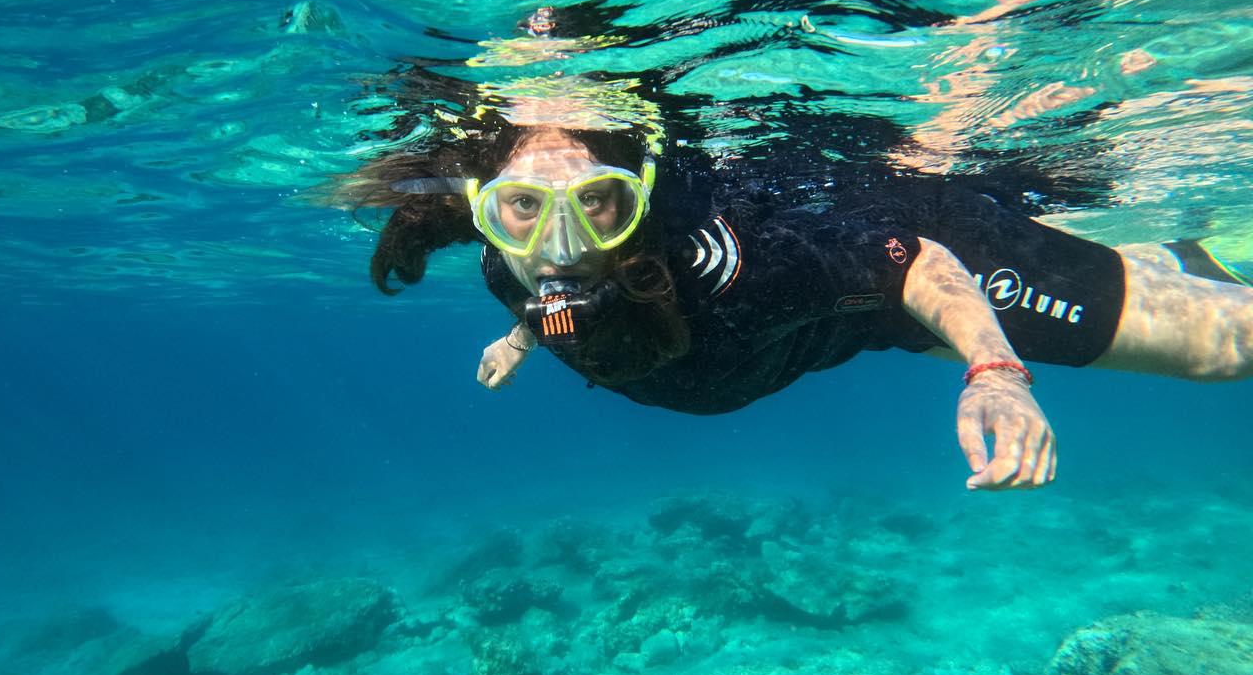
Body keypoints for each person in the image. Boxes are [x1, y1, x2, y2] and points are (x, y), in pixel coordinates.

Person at [340, 122, 1253, 490]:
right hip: (869, 324)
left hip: (916, 273)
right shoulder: (507, 270)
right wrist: (523, 338)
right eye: (523, 209)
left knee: (1224, 348)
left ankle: (1174, 265)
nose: (562, 243)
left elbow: (915, 263)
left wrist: (997, 371)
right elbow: (561, 294)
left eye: (597, 203)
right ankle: (1170, 258)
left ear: (637, 201)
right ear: (484, 213)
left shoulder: (738, 272)